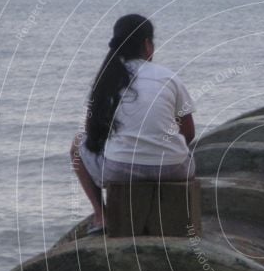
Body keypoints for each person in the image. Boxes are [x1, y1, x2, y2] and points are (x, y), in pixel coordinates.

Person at [71, 14, 195, 234]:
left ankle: (102, 216)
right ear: (147, 44)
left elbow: (91, 135)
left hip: (120, 171)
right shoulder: (168, 76)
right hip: (174, 169)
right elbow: (189, 132)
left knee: (76, 146)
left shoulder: (106, 80)